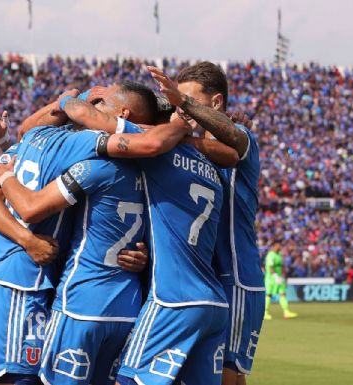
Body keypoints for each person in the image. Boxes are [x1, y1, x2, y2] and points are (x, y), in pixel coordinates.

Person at [57, 67, 241, 385]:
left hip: (173, 299)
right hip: (213, 303)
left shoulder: (157, 149)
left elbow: (93, 121)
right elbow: (231, 152)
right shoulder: (212, 166)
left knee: (127, 380)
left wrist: (73, 99)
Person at [0, 81, 160, 385]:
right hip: (17, 278)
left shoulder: (38, 140)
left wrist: (138, 251)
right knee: (18, 379)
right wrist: (28, 240)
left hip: (50, 282)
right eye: (95, 102)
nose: (95, 110)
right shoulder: (86, 146)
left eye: (101, 103)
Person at [158, 62, 266, 384]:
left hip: (236, 277)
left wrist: (182, 117)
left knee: (227, 377)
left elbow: (230, 136)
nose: (182, 107)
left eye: (189, 99)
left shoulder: (242, 137)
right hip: (203, 282)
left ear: (216, 102)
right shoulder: (190, 149)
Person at [264, 242, 297, 320]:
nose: (280, 246)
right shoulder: (270, 255)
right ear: (274, 246)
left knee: (282, 293)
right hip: (271, 278)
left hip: (279, 277)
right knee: (269, 295)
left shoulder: (279, 254)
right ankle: (265, 313)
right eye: (278, 245)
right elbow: (270, 267)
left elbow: (281, 266)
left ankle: (286, 312)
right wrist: (275, 276)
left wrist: (283, 276)